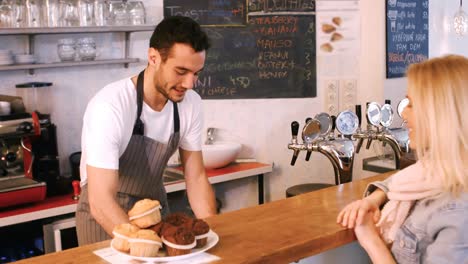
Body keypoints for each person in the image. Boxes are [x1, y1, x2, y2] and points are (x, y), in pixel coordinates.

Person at [76, 16, 217, 245]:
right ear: (153, 58)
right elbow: (101, 201)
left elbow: (196, 177)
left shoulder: (191, 104)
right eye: (181, 71)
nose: (190, 84)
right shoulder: (110, 105)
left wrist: (212, 233)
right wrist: (144, 244)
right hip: (105, 219)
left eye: (196, 73)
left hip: (154, 215)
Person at [337, 55, 468, 263]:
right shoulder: (436, 168)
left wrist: (370, 239)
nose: (404, 114)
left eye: (412, 105)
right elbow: (400, 181)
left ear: (441, 114)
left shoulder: (458, 211)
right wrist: (372, 200)